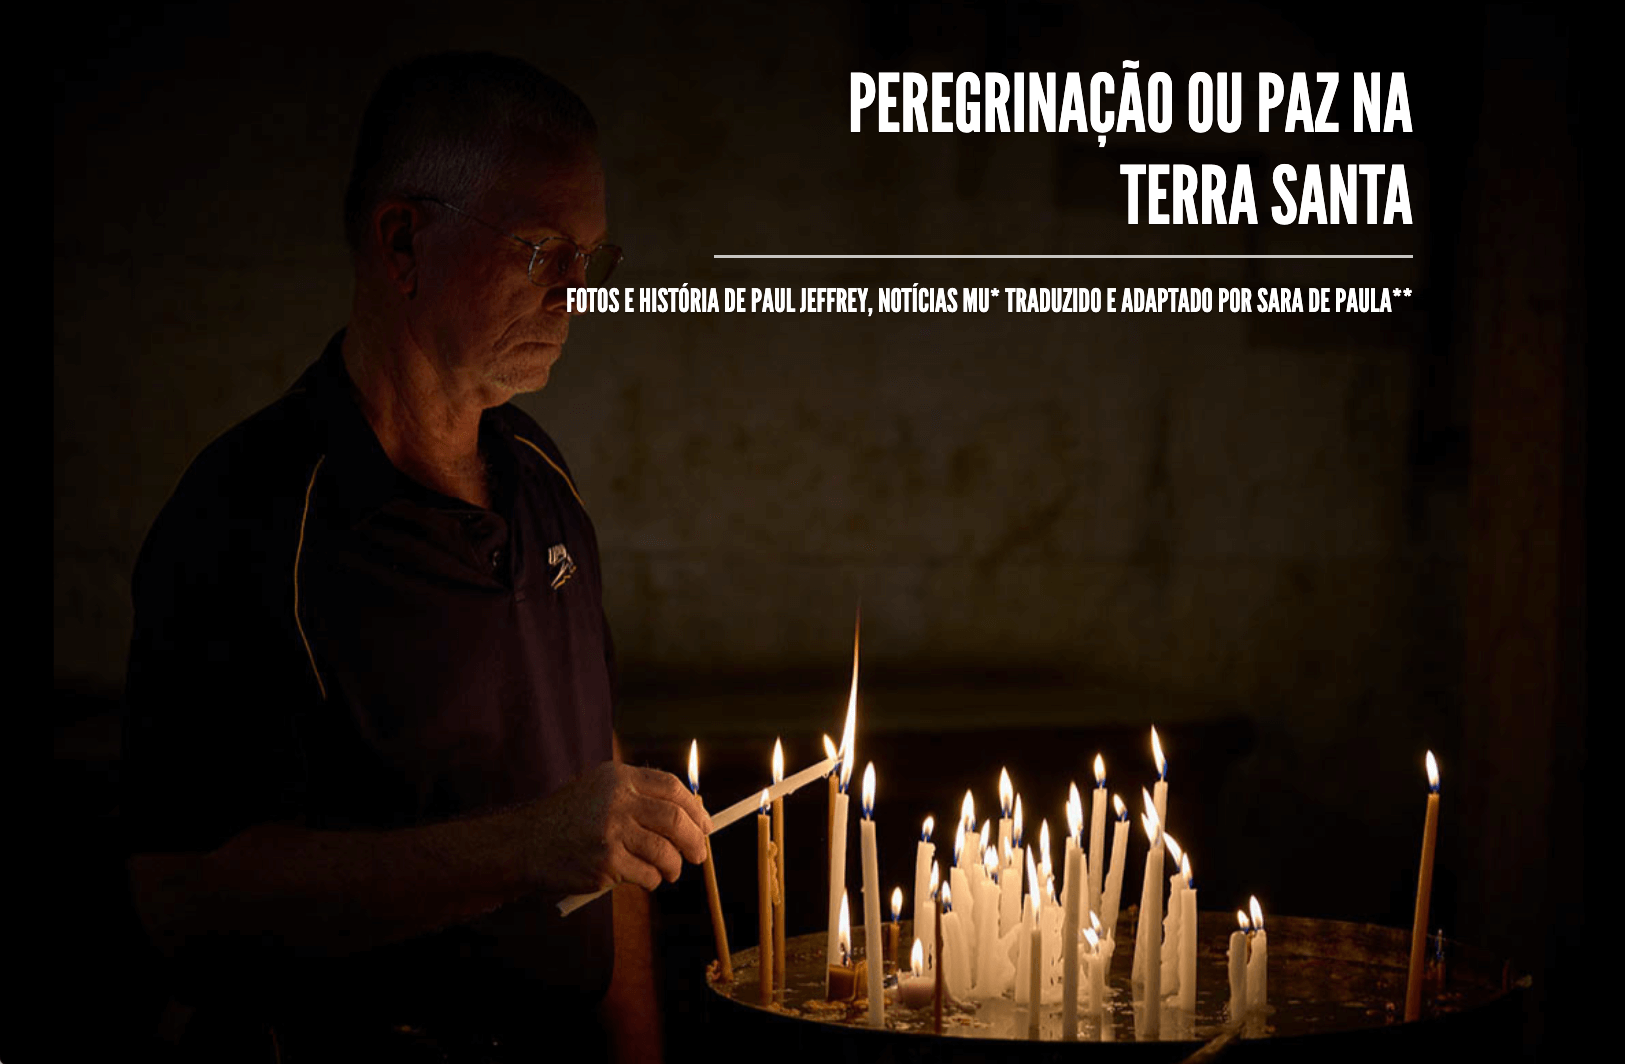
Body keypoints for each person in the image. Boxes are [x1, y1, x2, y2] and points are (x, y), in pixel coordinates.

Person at [120, 52, 709, 1062]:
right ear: (402, 242)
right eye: (538, 249)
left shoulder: (540, 477)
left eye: (593, 257)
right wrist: (531, 845)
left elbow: (595, 794)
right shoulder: (249, 515)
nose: (577, 293)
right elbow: (181, 899)